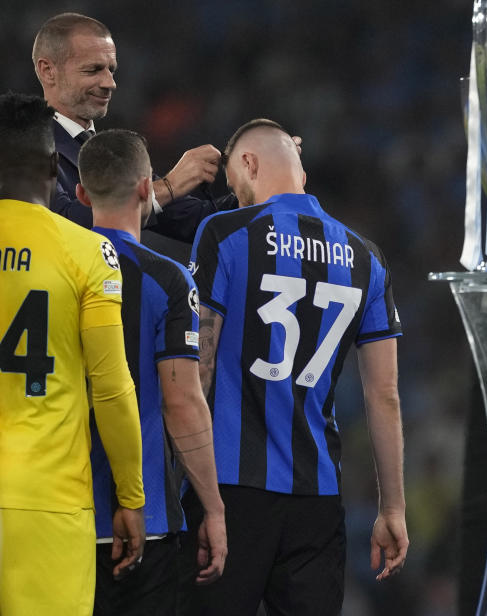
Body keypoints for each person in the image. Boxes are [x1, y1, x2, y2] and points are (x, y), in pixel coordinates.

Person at [184, 118, 408, 614]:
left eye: (235, 185)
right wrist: (392, 506)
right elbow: (384, 395)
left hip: (228, 489)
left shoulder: (224, 234)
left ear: (248, 163)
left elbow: (199, 369)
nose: (236, 197)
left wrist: (188, 487)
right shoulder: (366, 257)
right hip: (318, 496)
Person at [0, 91, 146, 615]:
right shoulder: (89, 252)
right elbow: (111, 388)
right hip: (49, 501)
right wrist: (130, 496)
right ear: (51, 165)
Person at [74, 129, 228, 614]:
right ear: (147, 188)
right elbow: (182, 401)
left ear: (81, 193)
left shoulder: (58, 267)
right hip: (149, 517)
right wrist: (214, 508)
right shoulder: (166, 278)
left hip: (59, 513)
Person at [31, 12, 236, 261]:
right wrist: (169, 186)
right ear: (48, 71)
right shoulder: (24, 147)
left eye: (111, 70)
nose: (110, 83)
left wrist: (265, 176)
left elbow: (201, 221)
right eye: (93, 70)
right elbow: (61, 225)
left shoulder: (112, 153)